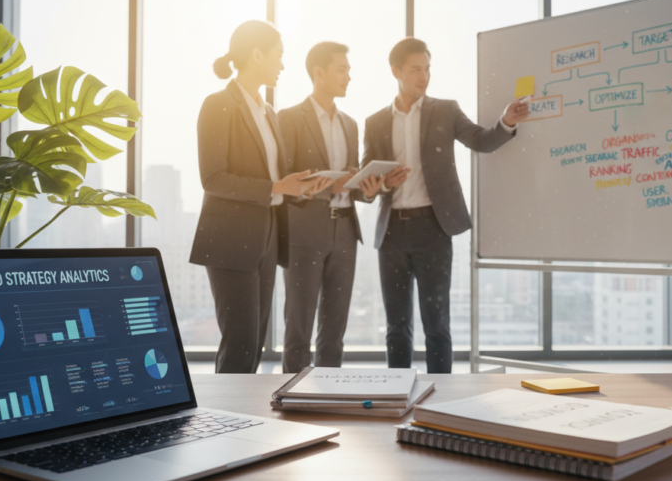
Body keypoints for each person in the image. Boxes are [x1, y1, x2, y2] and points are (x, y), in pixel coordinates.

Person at [362, 37, 530, 373]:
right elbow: (367, 179)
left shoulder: (445, 110)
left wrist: (506, 122)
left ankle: (442, 396)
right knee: (397, 327)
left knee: (436, 325)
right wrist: (381, 184)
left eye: (427, 69)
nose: (424, 76)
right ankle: (397, 392)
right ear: (396, 72)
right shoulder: (376, 122)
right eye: (415, 70)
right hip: (391, 233)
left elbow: (481, 140)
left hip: (433, 229)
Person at [190, 20, 332, 374]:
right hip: (230, 238)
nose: (283, 65)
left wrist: (299, 189)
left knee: (253, 344)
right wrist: (277, 187)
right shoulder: (217, 104)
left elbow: (273, 179)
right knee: (240, 344)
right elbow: (213, 178)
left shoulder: (267, 111)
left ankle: (242, 410)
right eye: (278, 55)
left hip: (266, 235)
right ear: (256, 55)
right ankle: (224, 410)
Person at [277, 42, 384, 373]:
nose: (348, 77)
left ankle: (329, 393)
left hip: (346, 231)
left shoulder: (350, 124)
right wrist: (327, 187)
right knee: (299, 328)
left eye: (348, 70)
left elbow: (349, 180)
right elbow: (284, 180)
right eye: (342, 70)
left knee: (335, 331)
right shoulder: (290, 118)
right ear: (318, 73)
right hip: (304, 232)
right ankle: (292, 396)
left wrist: (368, 189)